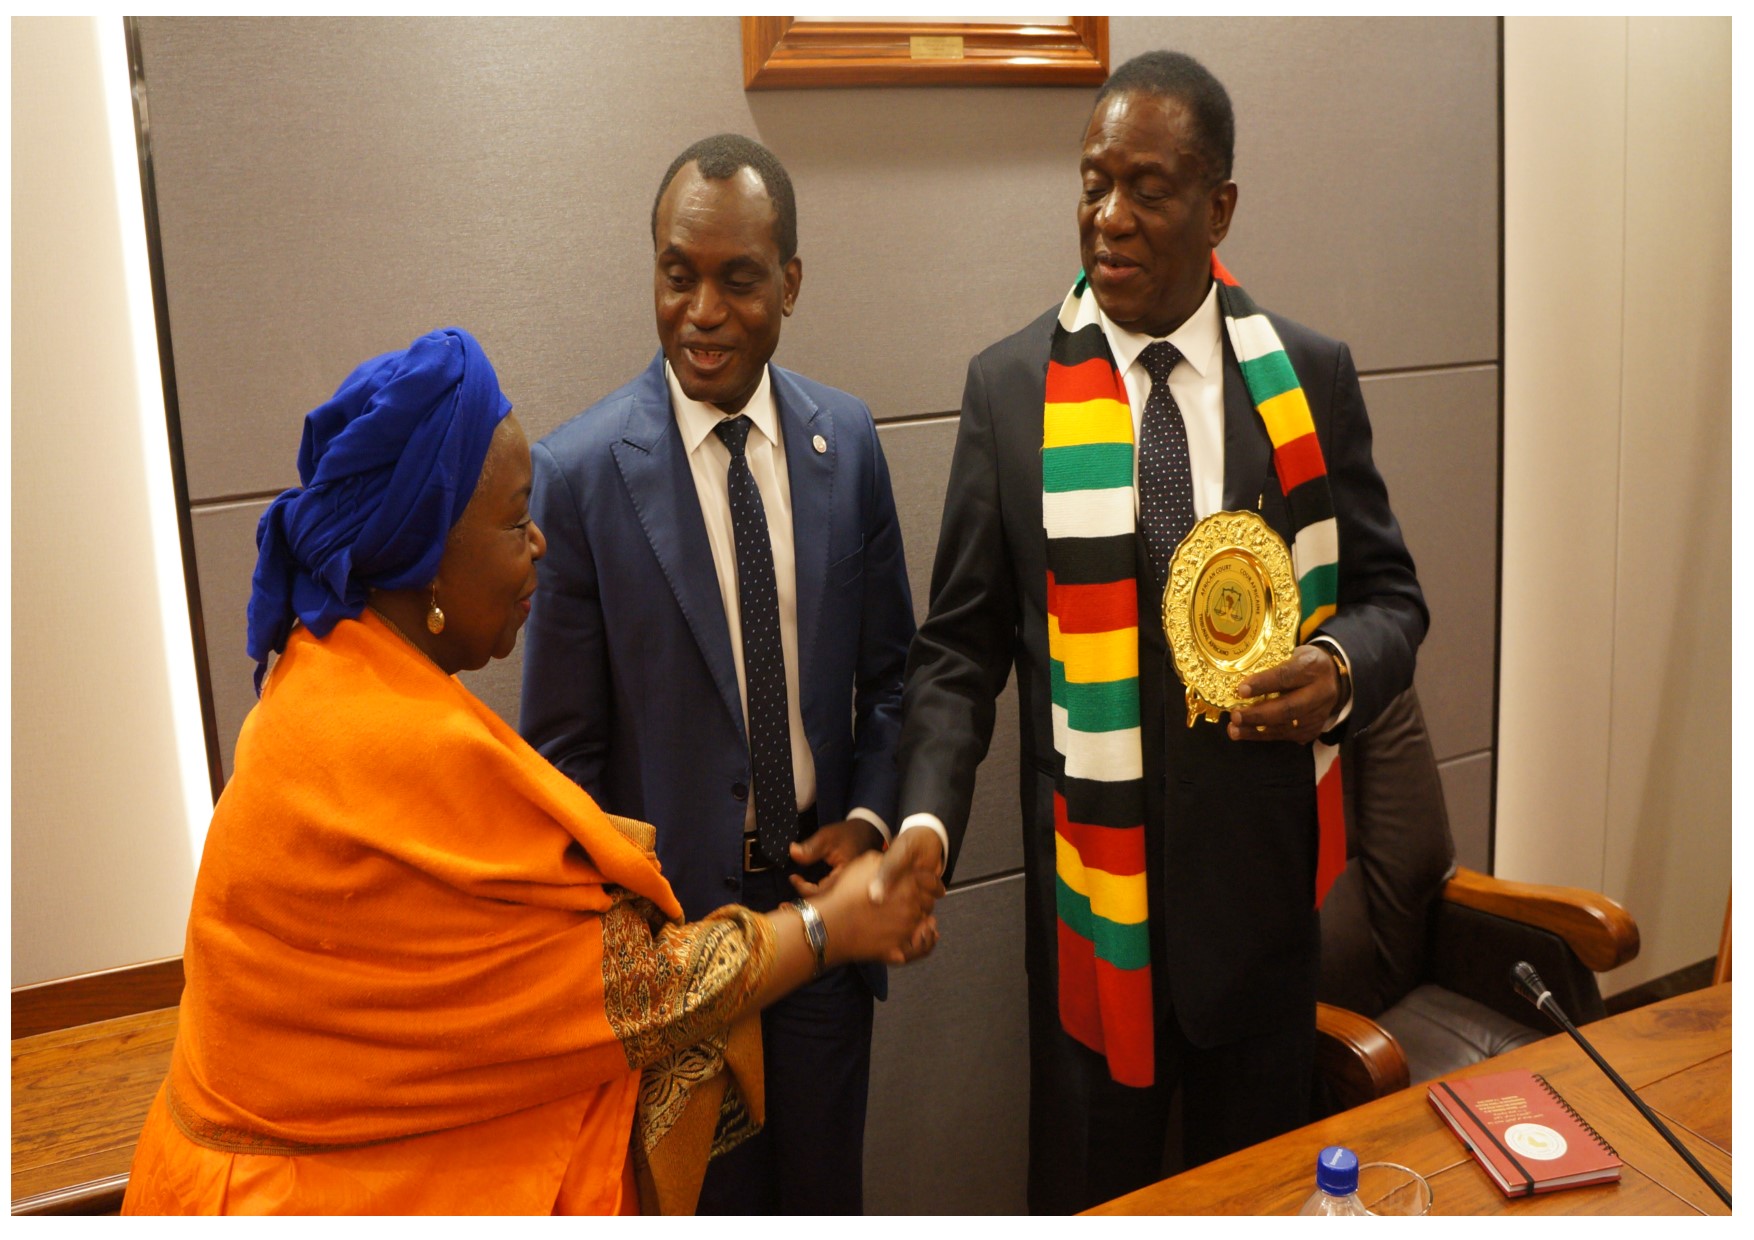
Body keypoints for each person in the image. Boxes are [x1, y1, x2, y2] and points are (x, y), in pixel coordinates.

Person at [119, 327, 935, 1216]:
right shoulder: (391, 742)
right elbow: (636, 992)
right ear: (424, 555)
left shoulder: (328, 672)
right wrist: (825, 928)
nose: (538, 542)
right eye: (514, 521)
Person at [884, 51, 1428, 1213]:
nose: (1107, 219)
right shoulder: (1009, 390)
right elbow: (959, 648)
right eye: (1091, 184)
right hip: (1091, 924)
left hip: (1261, 916)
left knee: (1259, 1205)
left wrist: (1334, 671)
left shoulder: (1308, 379)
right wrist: (925, 813)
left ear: (1218, 204)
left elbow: (1391, 600)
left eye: (1146, 188)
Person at [518, 134, 917, 1216]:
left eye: (736, 279)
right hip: (681, 950)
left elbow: (892, 679)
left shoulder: (847, 441)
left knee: (827, 1199)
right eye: (675, 273)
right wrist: (636, 939)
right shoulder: (581, 475)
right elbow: (563, 758)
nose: (700, 309)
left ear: (788, 282)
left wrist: (873, 823)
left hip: (817, 914)